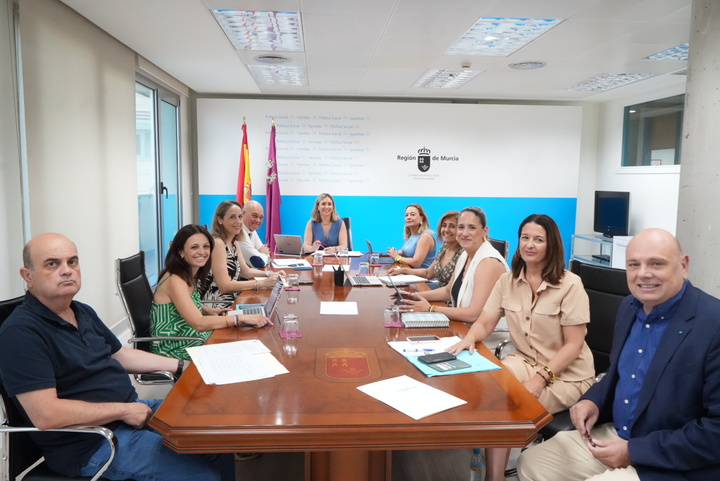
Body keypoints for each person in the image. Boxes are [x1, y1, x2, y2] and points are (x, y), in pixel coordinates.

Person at [0, 233, 234, 480]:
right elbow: (46, 414)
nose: (67, 271)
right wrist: (124, 411)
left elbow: (120, 355)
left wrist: (183, 365)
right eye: (52, 264)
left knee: (217, 433)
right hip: (93, 442)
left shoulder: (81, 311)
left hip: (129, 412)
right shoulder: (21, 333)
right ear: (28, 276)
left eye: (73, 261)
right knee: (201, 474)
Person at [516, 228, 720, 481]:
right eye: (634, 264)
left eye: (656, 263)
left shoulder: (713, 323)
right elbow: (619, 373)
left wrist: (634, 451)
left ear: (684, 265)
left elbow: (716, 430)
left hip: (674, 459)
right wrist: (593, 401)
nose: (643, 273)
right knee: (533, 462)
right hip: (620, 434)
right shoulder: (628, 308)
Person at [448, 214, 594, 481]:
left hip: (567, 373)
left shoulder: (571, 284)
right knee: (489, 388)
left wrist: (541, 378)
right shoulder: (508, 280)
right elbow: (486, 320)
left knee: (507, 404)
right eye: (525, 238)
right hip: (525, 360)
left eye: (538, 239)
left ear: (552, 245)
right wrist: (469, 339)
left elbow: (574, 346)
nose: (529, 244)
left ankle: (495, 477)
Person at [152, 224, 271, 360]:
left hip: (192, 337)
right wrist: (238, 319)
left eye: (206, 246)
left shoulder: (189, 271)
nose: (202, 252)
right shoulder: (175, 280)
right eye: (194, 247)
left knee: (245, 343)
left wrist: (208, 310)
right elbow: (199, 323)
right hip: (174, 347)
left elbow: (184, 303)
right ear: (181, 252)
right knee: (241, 355)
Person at [397, 207, 507, 322]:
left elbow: (474, 315)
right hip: (462, 324)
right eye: (461, 227)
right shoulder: (465, 255)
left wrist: (430, 308)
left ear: (484, 231)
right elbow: (447, 291)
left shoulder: (488, 262)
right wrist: (414, 295)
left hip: (484, 337)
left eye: (472, 228)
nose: (464, 233)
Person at [203, 201, 281, 308]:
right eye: (232, 217)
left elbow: (246, 272)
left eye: (240, 217)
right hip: (217, 305)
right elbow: (224, 286)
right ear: (220, 220)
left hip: (232, 300)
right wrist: (261, 284)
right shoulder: (218, 244)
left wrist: (271, 275)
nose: (238, 221)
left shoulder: (234, 242)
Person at [388, 210, 463, 289]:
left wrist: (397, 258)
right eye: (444, 225)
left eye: (452, 226)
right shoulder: (444, 248)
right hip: (437, 290)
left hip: (444, 295)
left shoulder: (462, 253)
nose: (446, 230)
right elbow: (428, 273)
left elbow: (416, 263)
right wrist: (402, 270)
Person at [387, 203, 437, 268]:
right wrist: (395, 252)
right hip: (409, 272)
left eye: (412, 215)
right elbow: (405, 250)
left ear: (421, 218)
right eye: (406, 215)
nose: (408, 217)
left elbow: (415, 263)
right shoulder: (411, 235)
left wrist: (397, 257)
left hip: (421, 277)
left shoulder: (425, 236)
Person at [238, 200, 271, 268]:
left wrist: (262, 254)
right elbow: (258, 262)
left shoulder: (252, 230)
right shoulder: (238, 232)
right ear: (243, 213)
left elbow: (263, 251)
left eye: (261, 217)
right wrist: (264, 254)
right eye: (254, 216)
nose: (258, 220)